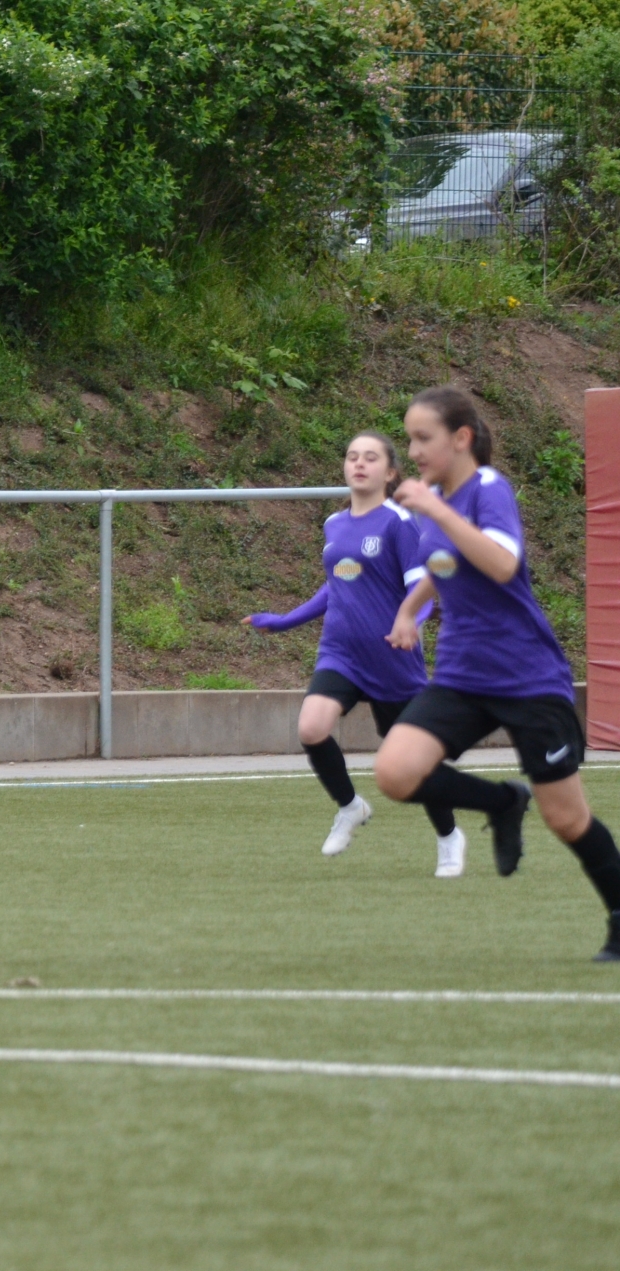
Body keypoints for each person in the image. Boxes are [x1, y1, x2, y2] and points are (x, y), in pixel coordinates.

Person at [372, 386, 620, 962]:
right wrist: (411, 607)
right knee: (395, 772)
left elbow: (501, 562)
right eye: (409, 438)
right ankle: (502, 803)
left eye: (423, 438)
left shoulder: (488, 489)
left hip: (527, 677)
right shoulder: (436, 499)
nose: (413, 450)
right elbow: (444, 563)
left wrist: (432, 510)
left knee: (567, 818)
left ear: (461, 438)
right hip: (462, 673)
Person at [243, 431, 462, 874]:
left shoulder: (399, 523)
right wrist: (283, 620)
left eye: (371, 458)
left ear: (391, 472)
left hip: (392, 660)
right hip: (341, 653)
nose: (359, 464)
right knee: (311, 727)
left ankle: (448, 836)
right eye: (352, 457)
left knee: (412, 768)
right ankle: (350, 806)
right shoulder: (334, 525)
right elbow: (337, 583)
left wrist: (410, 625)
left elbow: (421, 589)